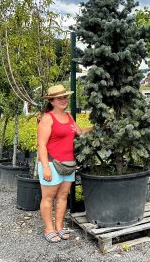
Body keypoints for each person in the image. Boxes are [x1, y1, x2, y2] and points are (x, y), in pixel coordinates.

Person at [37, 84, 92, 243]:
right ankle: (49, 229)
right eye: (59, 98)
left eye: (65, 97)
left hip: (68, 164)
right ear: (52, 101)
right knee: (48, 198)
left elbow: (79, 132)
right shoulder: (48, 118)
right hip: (52, 163)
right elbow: (41, 144)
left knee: (62, 197)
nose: (63, 100)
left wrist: (96, 128)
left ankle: (59, 227)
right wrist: (46, 167)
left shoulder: (69, 117)